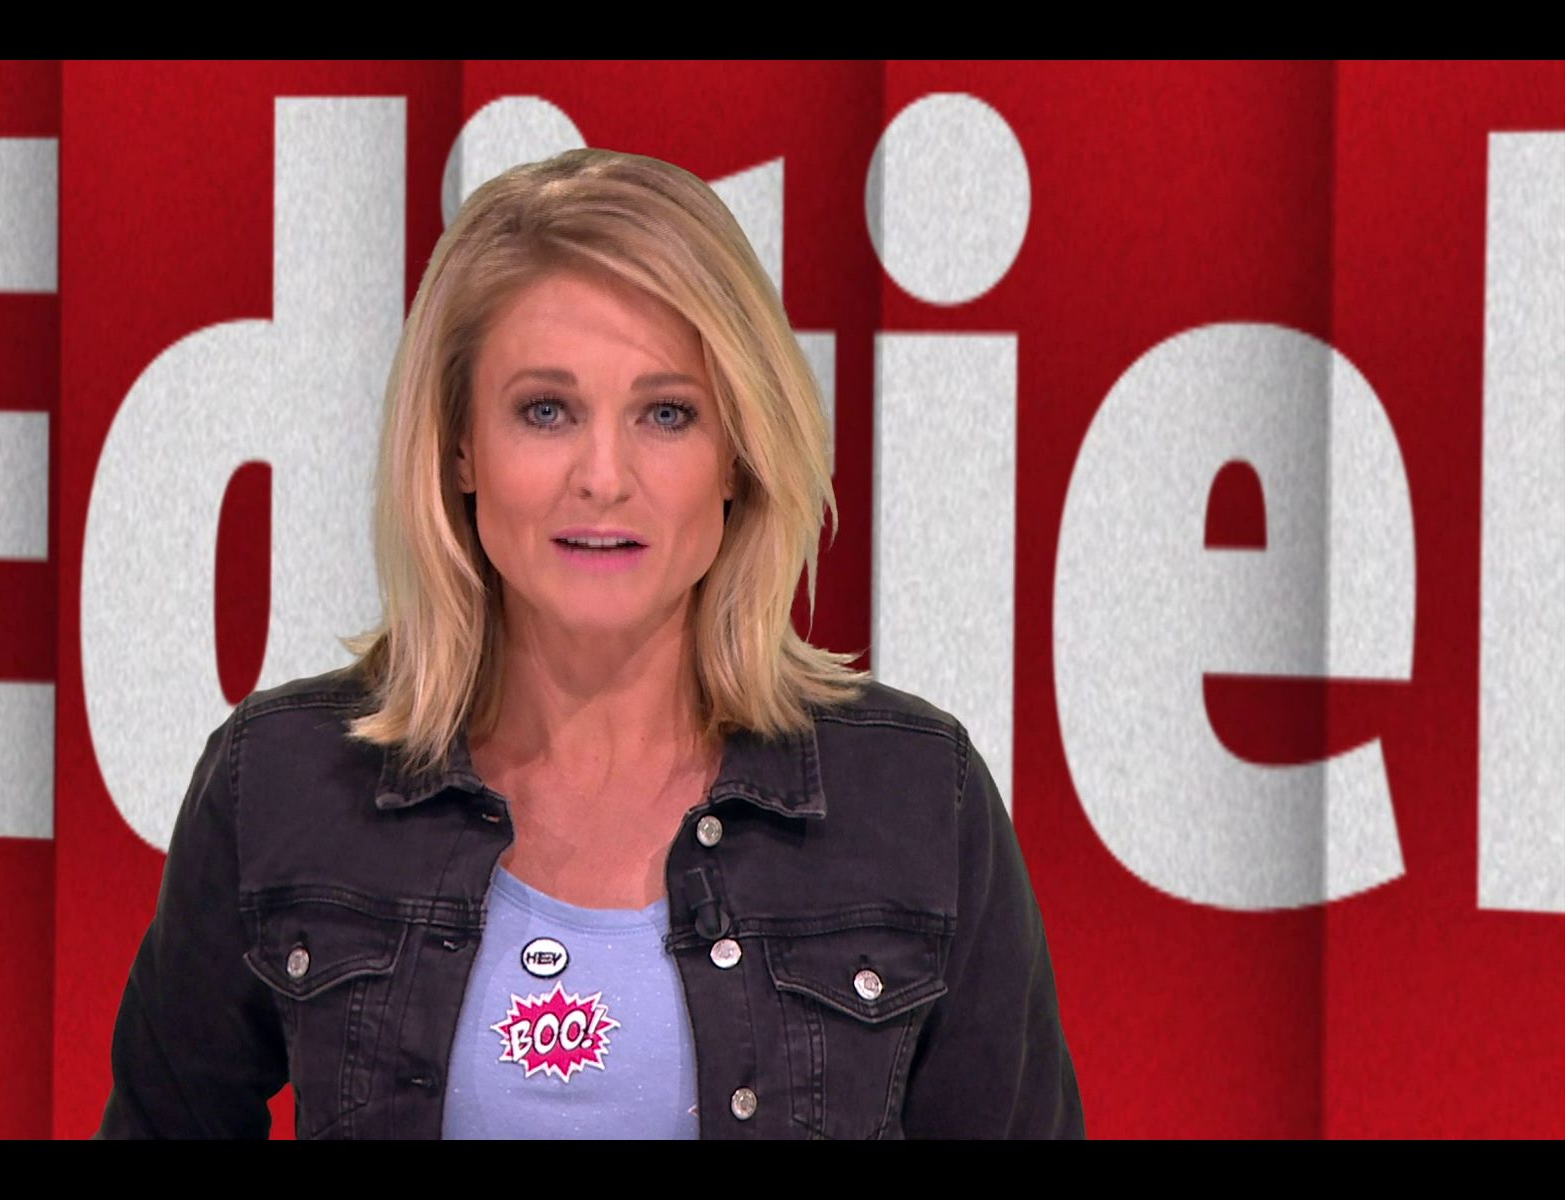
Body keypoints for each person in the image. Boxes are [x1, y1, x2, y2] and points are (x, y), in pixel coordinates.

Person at [96, 147, 1083, 1139]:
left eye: (667, 413)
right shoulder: (282, 780)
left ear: (737, 455)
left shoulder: (916, 798)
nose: (604, 477)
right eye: (546, 411)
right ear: (460, 446)